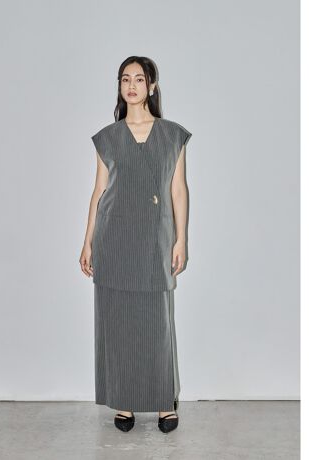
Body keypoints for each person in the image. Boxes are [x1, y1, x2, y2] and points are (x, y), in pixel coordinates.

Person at [80, 56, 192, 434]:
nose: (131, 85)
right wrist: (87, 242)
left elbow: (178, 190)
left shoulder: (173, 135)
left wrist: (181, 239)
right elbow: (99, 191)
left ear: (151, 86)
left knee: (157, 323)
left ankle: (163, 403)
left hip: (155, 240)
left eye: (139, 79)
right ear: (120, 86)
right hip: (113, 238)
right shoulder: (108, 138)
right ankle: (124, 401)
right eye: (125, 79)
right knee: (118, 323)